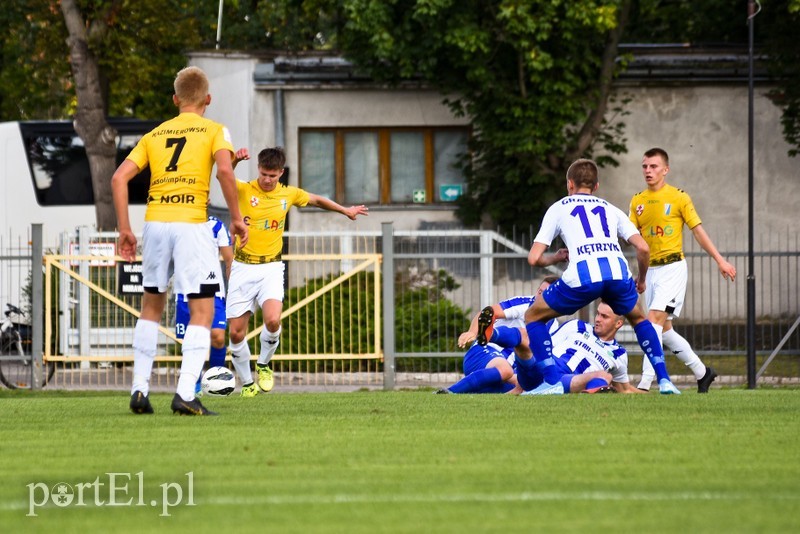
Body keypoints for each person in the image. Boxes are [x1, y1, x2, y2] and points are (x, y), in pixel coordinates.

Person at [112, 66, 248, 416]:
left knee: (150, 308)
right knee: (203, 311)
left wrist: (125, 228)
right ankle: (186, 392)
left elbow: (118, 178)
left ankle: (140, 390)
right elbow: (224, 171)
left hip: (156, 223)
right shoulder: (216, 130)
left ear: (175, 99)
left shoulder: (155, 133)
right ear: (208, 99)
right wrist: (235, 217)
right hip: (191, 225)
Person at [520, 158, 681, 395]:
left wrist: (554, 258)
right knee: (639, 319)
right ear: (596, 187)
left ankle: (552, 382)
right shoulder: (611, 209)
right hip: (617, 273)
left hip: (583, 276)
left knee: (533, 316)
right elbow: (644, 248)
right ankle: (665, 381)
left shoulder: (559, 207)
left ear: (569, 184)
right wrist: (642, 279)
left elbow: (534, 258)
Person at [225, 147, 369, 394]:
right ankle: (247, 384)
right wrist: (235, 159)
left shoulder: (289, 194)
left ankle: (264, 365)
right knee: (237, 334)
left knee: (272, 320)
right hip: (242, 267)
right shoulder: (245, 189)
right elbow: (224, 175)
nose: (267, 179)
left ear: (281, 173)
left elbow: (317, 200)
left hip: (271, 266)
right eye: (263, 174)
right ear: (258, 169)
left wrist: (345, 210)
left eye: (272, 175)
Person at [630, 148, 736, 393]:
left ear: (665, 170)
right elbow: (635, 241)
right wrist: (642, 276)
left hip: (673, 269)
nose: (648, 170)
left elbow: (698, 231)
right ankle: (703, 372)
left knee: (651, 324)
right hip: (651, 272)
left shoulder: (679, 197)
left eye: (654, 166)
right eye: (645, 166)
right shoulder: (637, 201)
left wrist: (720, 260)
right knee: (665, 331)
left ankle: (645, 384)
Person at [437, 275, 559, 395]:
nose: (539, 297)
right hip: (484, 351)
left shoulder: (554, 326)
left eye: (545, 294)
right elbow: (487, 313)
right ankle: (448, 392)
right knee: (505, 370)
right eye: (539, 292)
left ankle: (472, 392)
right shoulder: (524, 304)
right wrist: (472, 333)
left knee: (530, 385)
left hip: (507, 372)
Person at [519, 301, 647, 395]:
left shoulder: (619, 354)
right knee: (522, 338)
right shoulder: (577, 326)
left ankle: (585, 398)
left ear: (618, 323)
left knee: (605, 377)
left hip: (571, 379)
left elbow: (624, 389)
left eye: (604, 316)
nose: (597, 319)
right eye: (598, 314)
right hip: (549, 369)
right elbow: (544, 347)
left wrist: (648, 395)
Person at [173, 215, 235, 396]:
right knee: (190, 341)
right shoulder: (176, 224)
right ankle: (195, 384)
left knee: (218, 336)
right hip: (185, 291)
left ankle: (217, 381)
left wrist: (233, 290)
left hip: (213, 290)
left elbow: (229, 259)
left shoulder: (216, 225)